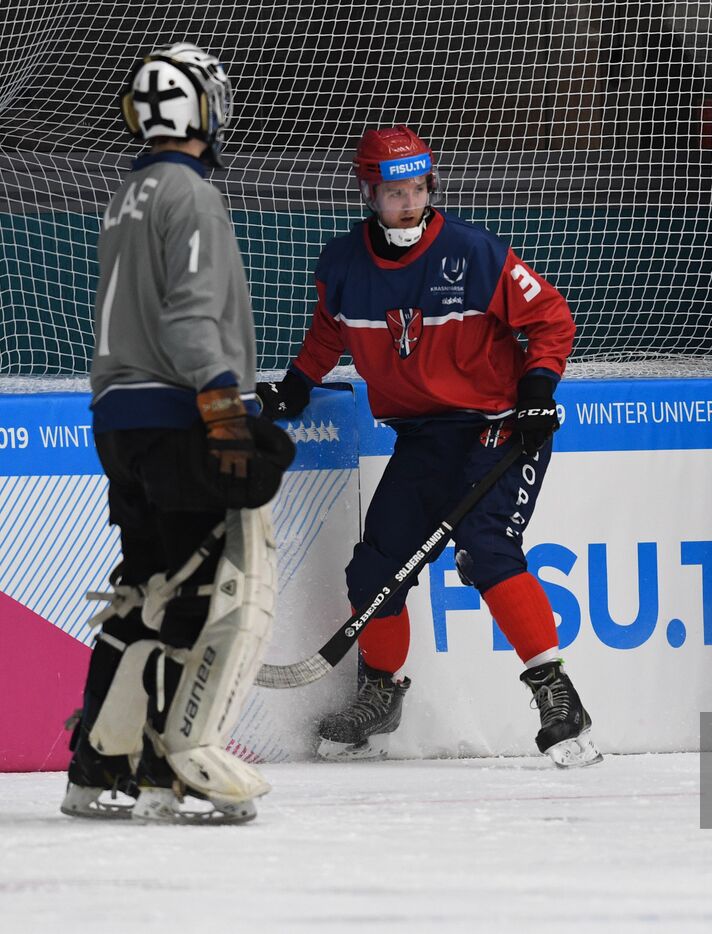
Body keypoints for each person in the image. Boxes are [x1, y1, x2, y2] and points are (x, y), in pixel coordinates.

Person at [256, 125, 600, 768]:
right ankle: (380, 693)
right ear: (368, 193)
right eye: (394, 192)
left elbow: (551, 318)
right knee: (373, 570)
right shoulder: (342, 265)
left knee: (487, 547)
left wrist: (534, 388)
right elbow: (330, 332)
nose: (408, 203)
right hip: (422, 437)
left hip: (499, 425)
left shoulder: (475, 253)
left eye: (418, 189)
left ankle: (558, 697)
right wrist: (296, 387)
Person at [62, 43, 294, 824]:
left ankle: (96, 766)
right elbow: (192, 315)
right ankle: (177, 768)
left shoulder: (127, 194)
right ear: (206, 108)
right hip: (175, 415)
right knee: (197, 591)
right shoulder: (188, 195)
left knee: (143, 588)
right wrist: (224, 407)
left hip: (119, 420)